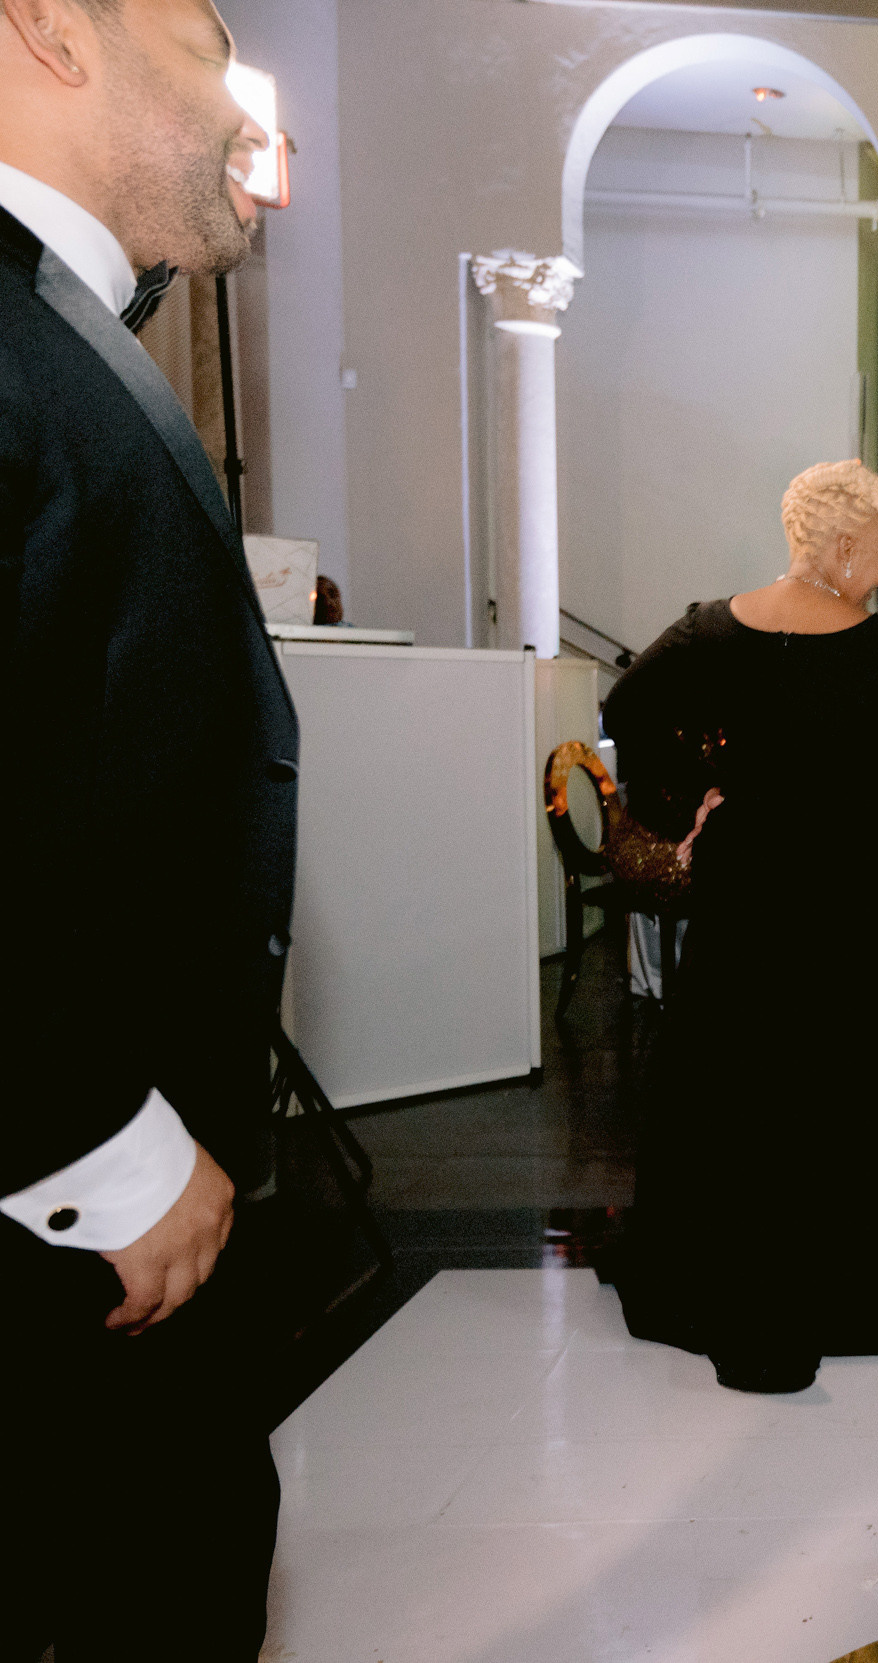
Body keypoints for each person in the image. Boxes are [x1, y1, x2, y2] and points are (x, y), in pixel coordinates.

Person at [2, 2, 292, 1655]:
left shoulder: (66, 324)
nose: (245, 100)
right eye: (206, 42)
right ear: (52, 30)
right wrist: (90, 1140)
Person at [602, 460, 878, 1393]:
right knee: (843, 1093)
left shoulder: (707, 629)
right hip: (852, 912)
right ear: (842, 546)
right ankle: (847, 1288)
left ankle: (725, 1283)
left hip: (745, 894)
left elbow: (626, 710)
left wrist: (695, 806)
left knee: (735, 1084)